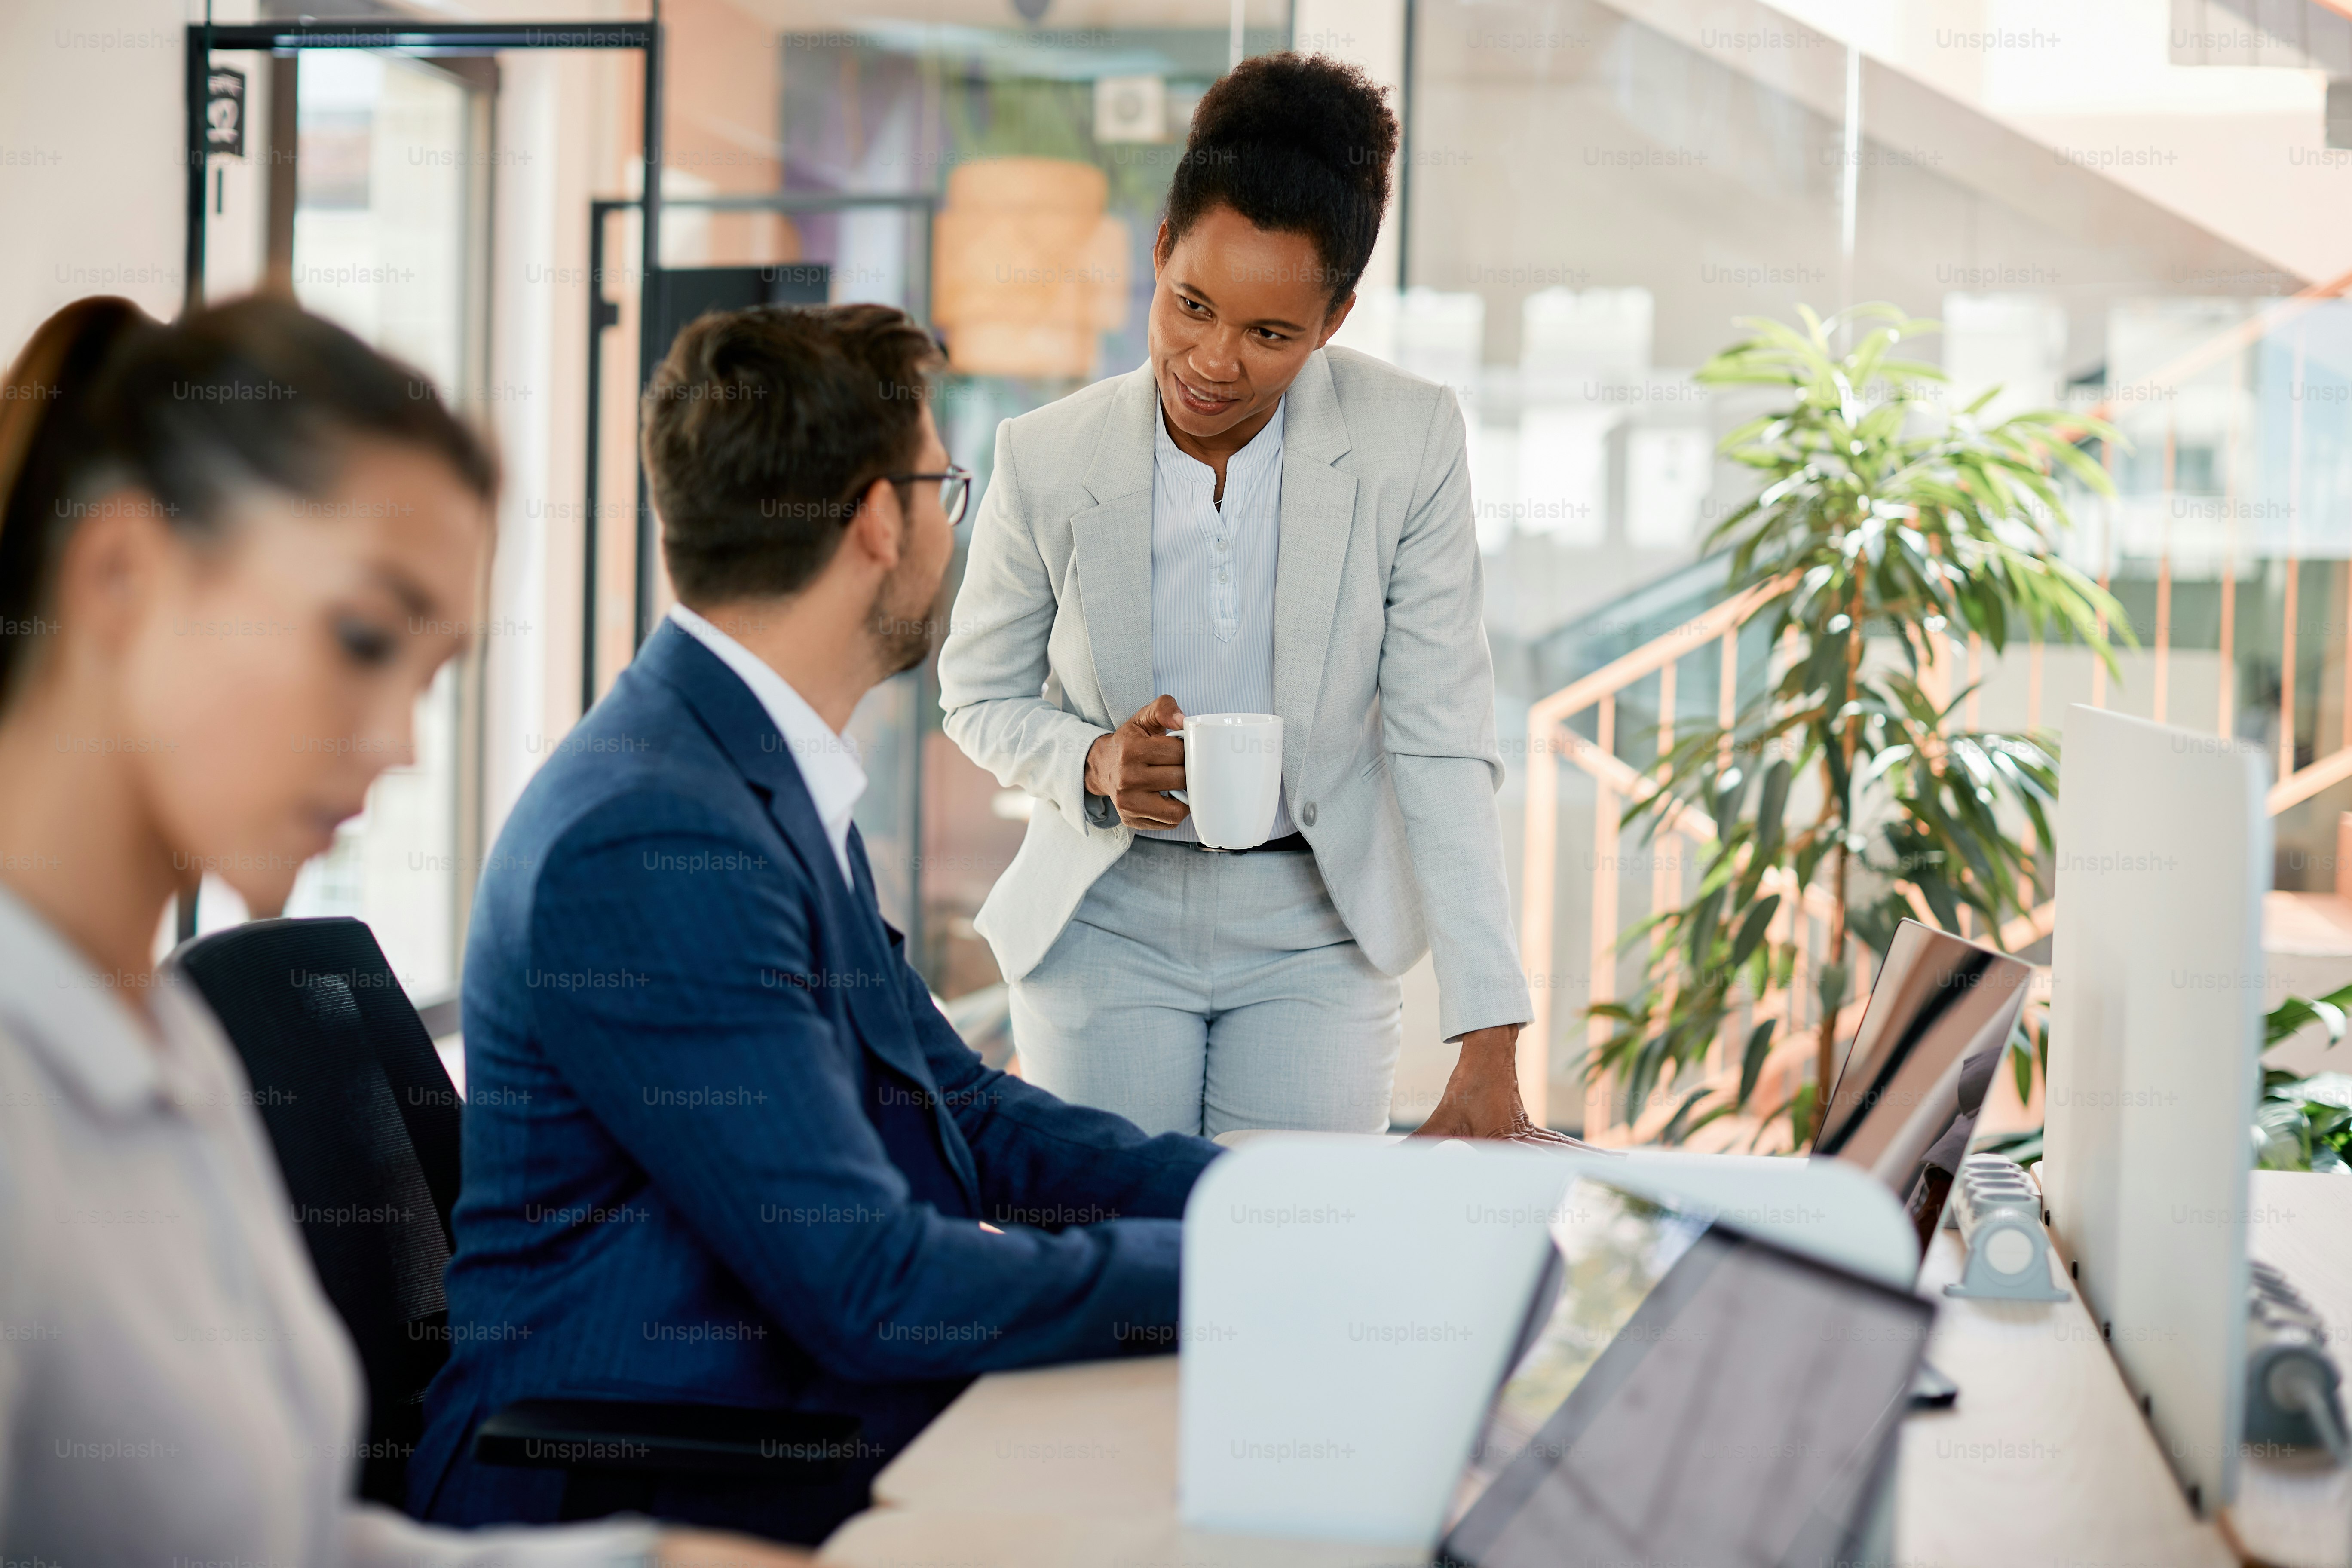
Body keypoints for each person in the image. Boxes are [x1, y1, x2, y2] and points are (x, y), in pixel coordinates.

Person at [0, 296, 805, 1567]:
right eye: (363, 639)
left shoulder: (169, 1049)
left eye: (429, 677)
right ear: (120, 574)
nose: (396, 746)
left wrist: (639, 1562)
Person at [412, 303, 1222, 1545]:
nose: (951, 530)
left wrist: (1262, 1201)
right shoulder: (652, 839)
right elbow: (872, 1285)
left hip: (769, 1414)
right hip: (641, 1479)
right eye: (946, 489)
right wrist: (1242, 1275)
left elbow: (963, 1108)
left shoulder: (748, 769)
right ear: (877, 518)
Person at [937, 53, 1574, 1144]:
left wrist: (1490, 1034)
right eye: (1191, 306)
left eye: (1270, 334)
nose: (1213, 361)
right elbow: (976, 696)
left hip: (1315, 933)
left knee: (1293, 1278)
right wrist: (1091, 761)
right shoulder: (1045, 456)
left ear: (1333, 321)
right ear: (1159, 254)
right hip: (1106, 919)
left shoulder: (1405, 441)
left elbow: (1441, 739)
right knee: (1114, 1284)